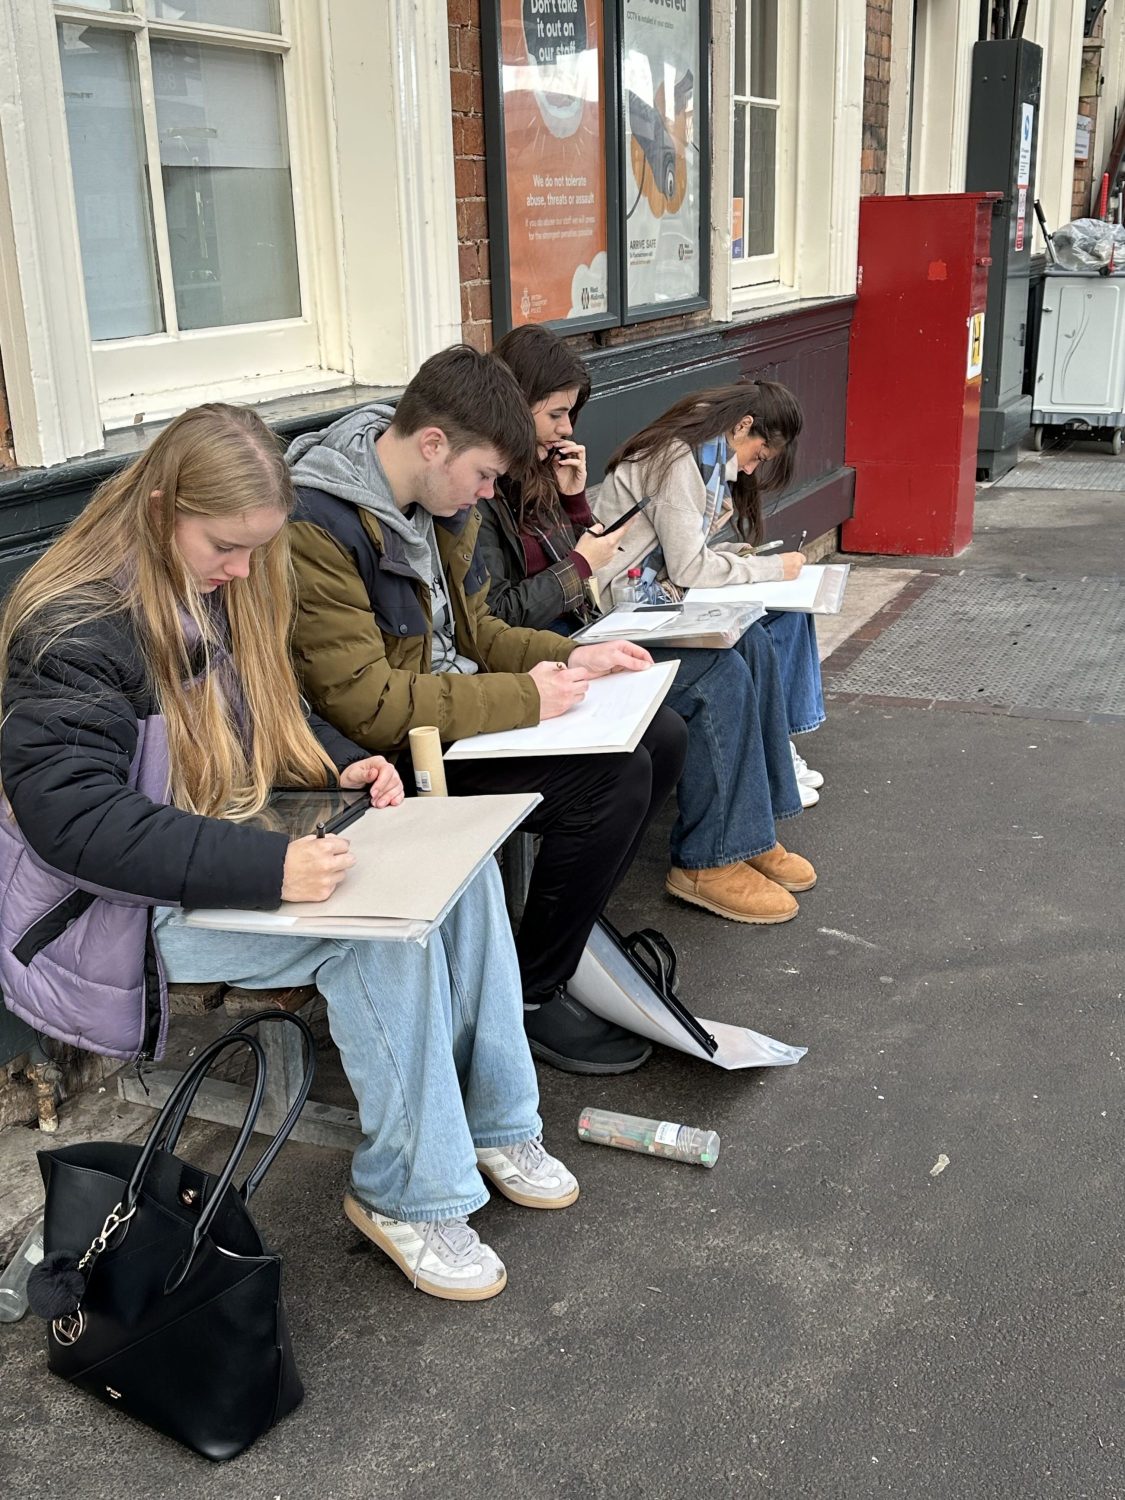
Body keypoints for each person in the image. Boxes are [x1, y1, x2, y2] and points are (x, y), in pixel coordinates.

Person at [0, 403, 580, 1304]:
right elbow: (76, 824)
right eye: (226, 546)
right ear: (160, 509)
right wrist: (269, 871)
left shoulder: (206, 580)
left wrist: (338, 762)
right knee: (376, 933)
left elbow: (268, 710)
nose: (240, 569)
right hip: (106, 909)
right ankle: (410, 1196)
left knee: (456, 875)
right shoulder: (75, 626)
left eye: (253, 549)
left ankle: (499, 1122)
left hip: (206, 850)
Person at [285, 345, 687, 1074]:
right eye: (483, 476)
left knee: (663, 735)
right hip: (392, 753)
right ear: (433, 444)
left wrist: (572, 656)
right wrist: (527, 698)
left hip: (451, 713)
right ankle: (530, 995)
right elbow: (368, 703)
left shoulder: (435, 500)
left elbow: (476, 633)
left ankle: (569, 939)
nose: (486, 493)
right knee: (612, 782)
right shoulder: (321, 526)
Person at [480, 325, 815, 924]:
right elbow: (513, 606)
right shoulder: (484, 491)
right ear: (514, 403)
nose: (566, 429)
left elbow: (574, 556)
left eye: (569, 414)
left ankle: (751, 831)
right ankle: (709, 860)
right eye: (555, 414)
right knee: (717, 677)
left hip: (590, 621)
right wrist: (582, 560)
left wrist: (574, 501)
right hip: (571, 635)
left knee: (753, 646)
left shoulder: (532, 471)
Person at [594, 380, 827, 802]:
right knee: (751, 637)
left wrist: (741, 556)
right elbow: (689, 567)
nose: (752, 469)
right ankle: (772, 763)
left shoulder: (702, 458)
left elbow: (681, 552)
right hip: (630, 604)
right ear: (743, 426)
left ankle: (778, 748)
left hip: (658, 590)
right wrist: (770, 568)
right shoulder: (678, 459)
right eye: (759, 455)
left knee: (790, 615)